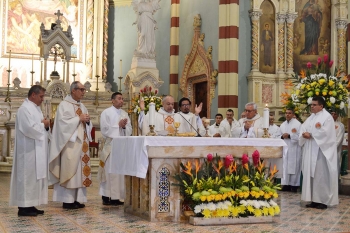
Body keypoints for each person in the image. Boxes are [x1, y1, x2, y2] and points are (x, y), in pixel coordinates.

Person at [49, 81, 93, 209]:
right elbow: (62, 124)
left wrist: (87, 121)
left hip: (82, 144)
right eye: (81, 89)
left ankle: (77, 199)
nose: (83, 92)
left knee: (80, 173)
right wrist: (79, 119)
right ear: (73, 90)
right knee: (71, 171)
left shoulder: (82, 106)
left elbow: (86, 123)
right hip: (70, 144)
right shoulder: (64, 105)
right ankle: (67, 200)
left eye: (84, 90)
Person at [9, 85, 49, 216]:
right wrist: (44, 125)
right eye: (41, 96)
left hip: (36, 149)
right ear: (33, 95)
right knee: (27, 177)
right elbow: (28, 128)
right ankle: (23, 207)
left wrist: (45, 126)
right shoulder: (24, 109)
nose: (42, 99)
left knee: (34, 178)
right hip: (27, 151)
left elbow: (40, 126)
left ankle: (31, 204)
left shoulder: (36, 109)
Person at [299, 96, 338, 209]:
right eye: (311, 104)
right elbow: (303, 127)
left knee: (321, 175)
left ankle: (323, 200)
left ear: (321, 106)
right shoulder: (311, 117)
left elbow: (326, 133)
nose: (312, 106)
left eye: (314, 105)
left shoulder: (327, 117)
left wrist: (311, 135)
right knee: (312, 175)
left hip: (322, 151)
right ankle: (314, 199)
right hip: (311, 149)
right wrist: (303, 134)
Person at [99, 92, 132, 205]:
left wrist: (123, 127)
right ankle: (106, 196)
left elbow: (129, 129)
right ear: (112, 100)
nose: (121, 100)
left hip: (120, 146)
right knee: (108, 171)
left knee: (118, 172)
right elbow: (104, 129)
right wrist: (118, 125)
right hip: (110, 145)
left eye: (122, 99)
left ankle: (116, 197)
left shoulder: (125, 114)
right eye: (119, 98)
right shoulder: (106, 113)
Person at [280, 109, 302, 192]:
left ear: (293, 114)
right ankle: (286, 184)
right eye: (286, 113)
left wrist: (290, 136)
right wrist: (282, 136)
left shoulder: (298, 124)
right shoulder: (282, 125)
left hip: (294, 148)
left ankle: (294, 185)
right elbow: (278, 135)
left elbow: (300, 136)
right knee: (285, 166)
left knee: (294, 166)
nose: (287, 115)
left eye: (289, 113)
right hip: (285, 148)